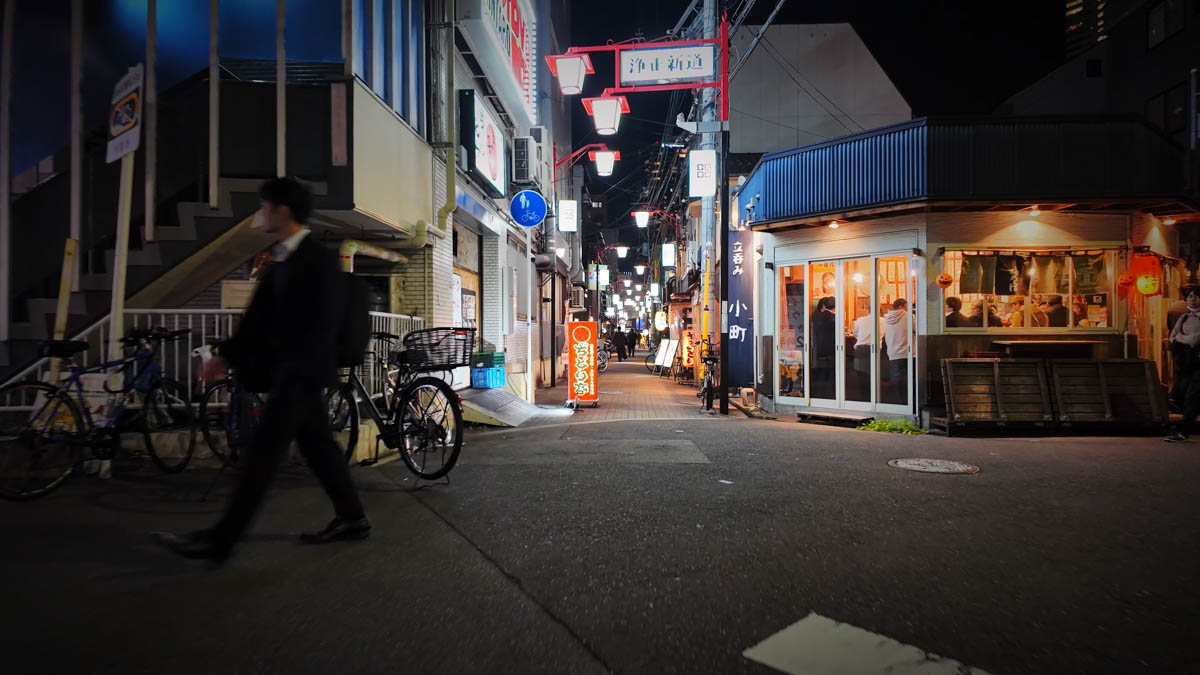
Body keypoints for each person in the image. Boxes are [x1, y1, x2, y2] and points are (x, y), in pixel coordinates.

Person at [154, 177, 368, 565]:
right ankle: (353, 518)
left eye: (264, 206)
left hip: (299, 375)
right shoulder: (283, 257)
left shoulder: (317, 260)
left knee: (262, 455)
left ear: (281, 210)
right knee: (318, 447)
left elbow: (320, 325)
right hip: (296, 373)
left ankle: (221, 541)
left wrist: (287, 365)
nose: (259, 214)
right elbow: (261, 320)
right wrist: (227, 357)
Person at [1166, 286, 1200, 442]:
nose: (1193, 299)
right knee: (1191, 395)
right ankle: (1183, 430)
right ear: (1185, 299)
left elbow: (1194, 340)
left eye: (1197, 296)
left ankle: (1183, 430)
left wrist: (1183, 338)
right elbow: (1172, 337)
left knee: (1192, 395)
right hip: (1191, 362)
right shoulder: (1184, 317)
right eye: (1190, 296)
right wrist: (1184, 339)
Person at [883, 298, 909, 404]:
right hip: (906, 352)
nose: (908, 308)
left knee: (897, 379)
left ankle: (899, 402)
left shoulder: (886, 318)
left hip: (892, 352)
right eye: (906, 306)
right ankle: (909, 402)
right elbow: (917, 329)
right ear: (900, 306)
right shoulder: (907, 316)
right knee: (910, 379)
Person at [811, 297, 836, 398]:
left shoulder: (815, 316)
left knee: (820, 371)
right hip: (830, 348)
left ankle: (818, 394)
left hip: (818, 346)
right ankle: (829, 394)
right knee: (829, 371)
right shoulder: (832, 317)